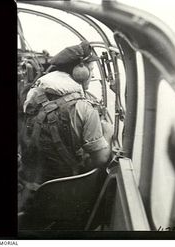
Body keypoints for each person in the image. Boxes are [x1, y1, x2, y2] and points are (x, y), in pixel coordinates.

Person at [18, 41, 113, 212]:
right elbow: (100, 159)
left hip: (30, 183)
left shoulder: (30, 94)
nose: (91, 77)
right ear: (80, 70)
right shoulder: (84, 108)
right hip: (64, 191)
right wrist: (107, 133)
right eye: (91, 71)